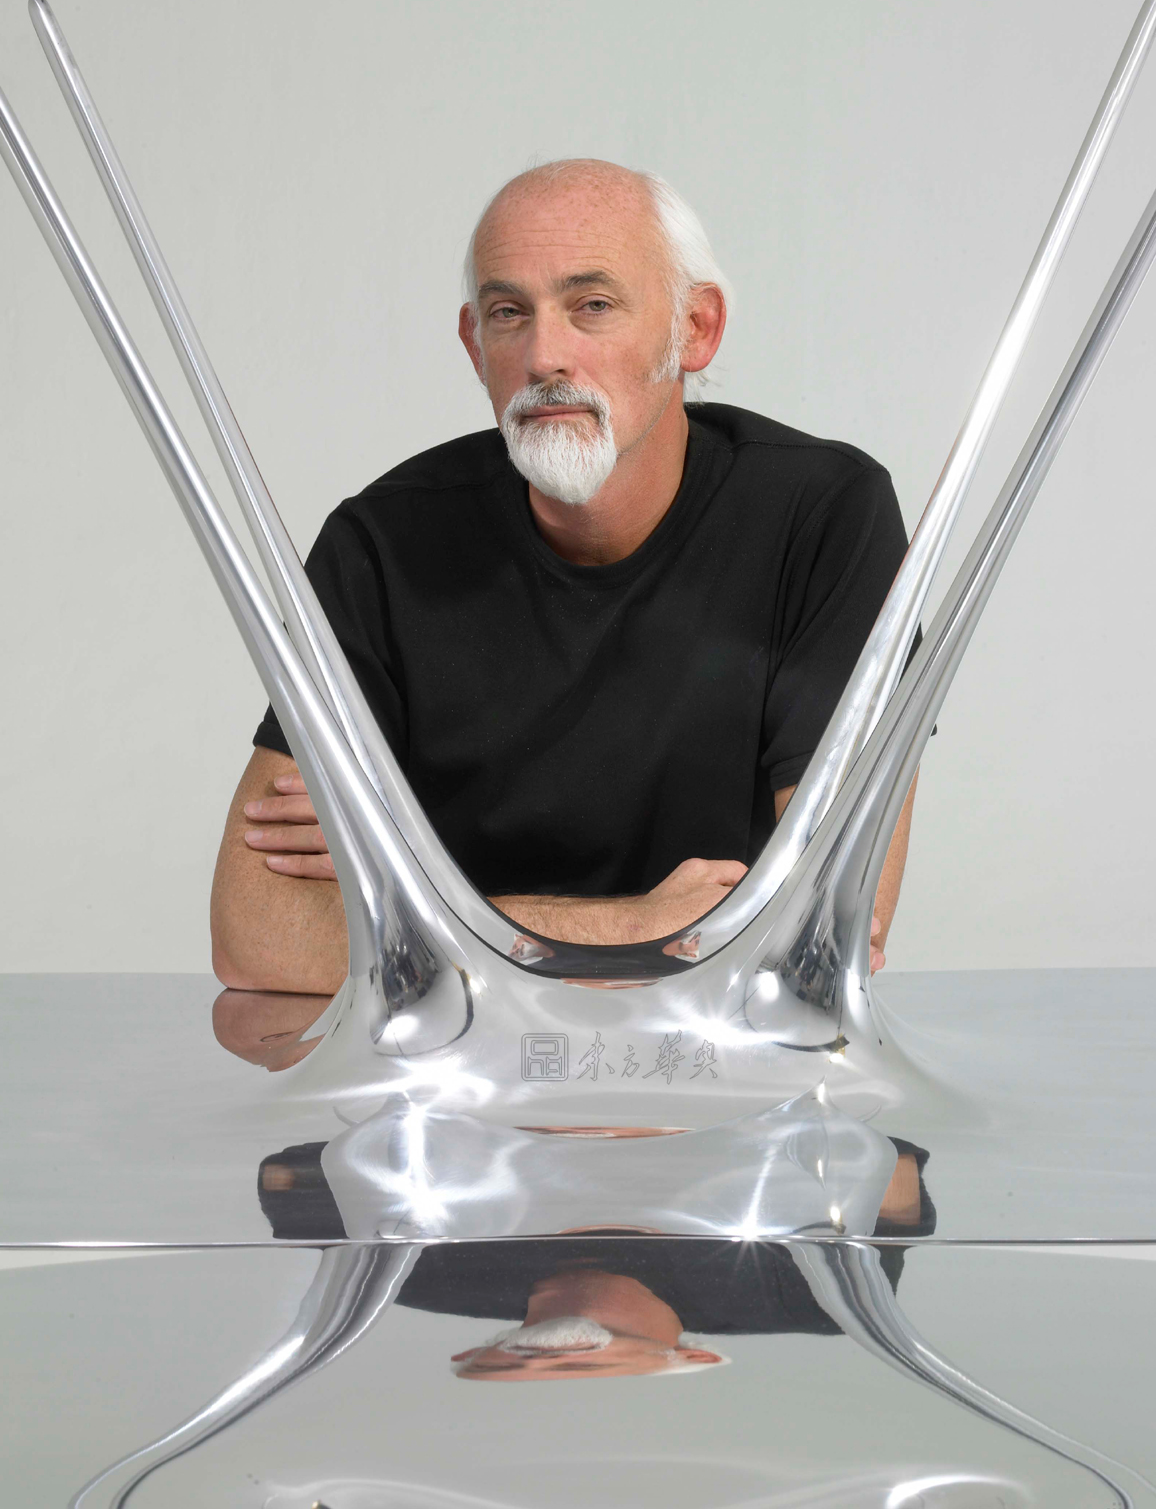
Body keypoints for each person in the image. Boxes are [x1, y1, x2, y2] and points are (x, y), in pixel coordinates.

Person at [210, 159, 918, 996]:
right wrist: (634, 930)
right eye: (509, 313)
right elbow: (255, 935)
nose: (545, 355)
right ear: (475, 346)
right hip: (459, 1067)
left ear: (695, 329)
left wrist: (410, 892)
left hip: (719, 1064)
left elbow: (829, 925)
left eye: (593, 306)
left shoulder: (825, 519)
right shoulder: (382, 546)